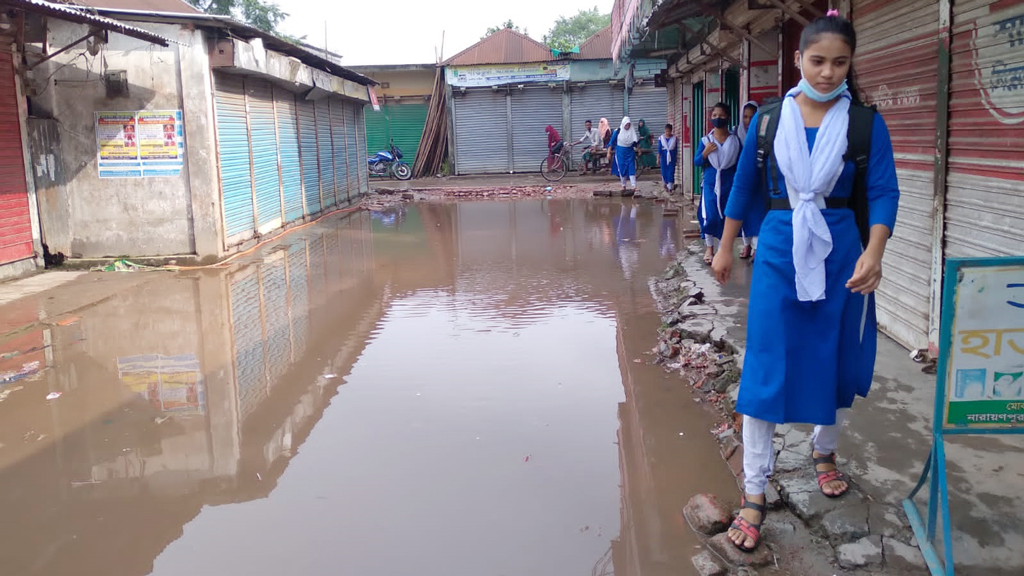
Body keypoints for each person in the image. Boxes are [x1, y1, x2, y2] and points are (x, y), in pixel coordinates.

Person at [711, 11, 900, 553]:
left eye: (840, 62)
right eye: (817, 61)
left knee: (830, 356)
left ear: (850, 63)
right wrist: (725, 246)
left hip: (842, 253)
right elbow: (744, 186)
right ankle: (754, 492)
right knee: (766, 367)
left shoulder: (865, 124)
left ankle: (824, 450)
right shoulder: (770, 121)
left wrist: (876, 250)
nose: (827, 72)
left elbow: (884, 190)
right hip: (776, 250)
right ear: (798, 60)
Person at [694, 103, 742, 265]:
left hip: (729, 184)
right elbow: (696, 162)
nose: (717, 118)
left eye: (721, 115)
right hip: (710, 184)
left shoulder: (735, 141)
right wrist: (705, 153)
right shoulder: (706, 141)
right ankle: (709, 248)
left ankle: (722, 250)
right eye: (714, 115)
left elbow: (740, 164)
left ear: (728, 117)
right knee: (710, 215)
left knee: (726, 216)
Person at [736, 101, 761, 260]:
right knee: (742, 214)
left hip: (759, 183)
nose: (748, 120)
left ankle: (757, 248)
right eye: (745, 117)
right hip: (741, 183)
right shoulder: (736, 136)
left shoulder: (763, 135)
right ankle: (746, 245)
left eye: (752, 117)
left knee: (757, 214)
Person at [608, 117, 640, 192]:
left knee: (631, 168)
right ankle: (623, 185)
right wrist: (608, 152)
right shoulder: (617, 131)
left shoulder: (632, 132)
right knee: (622, 169)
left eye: (628, 125)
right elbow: (611, 143)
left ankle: (634, 186)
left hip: (630, 152)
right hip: (620, 153)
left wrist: (639, 150)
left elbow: (635, 142)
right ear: (623, 124)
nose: (627, 126)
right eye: (626, 125)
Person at [658, 124, 678, 192]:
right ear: (665, 131)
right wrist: (658, 158)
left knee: (671, 170)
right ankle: (665, 183)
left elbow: (675, 149)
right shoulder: (661, 138)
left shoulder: (674, 138)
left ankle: (670, 186)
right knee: (664, 170)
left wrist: (676, 158)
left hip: (671, 156)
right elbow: (659, 149)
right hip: (663, 155)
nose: (668, 133)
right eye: (666, 131)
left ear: (671, 131)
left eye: (669, 131)